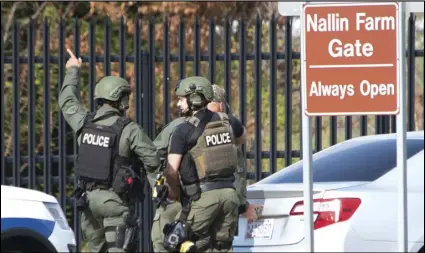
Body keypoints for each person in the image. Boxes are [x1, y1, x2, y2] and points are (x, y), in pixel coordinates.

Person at [58, 49, 160, 253]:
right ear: (120, 100)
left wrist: (73, 70)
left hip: (87, 201)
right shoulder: (129, 129)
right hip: (114, 202)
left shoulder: (83, 122)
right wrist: (160, 193)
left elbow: (67, 101)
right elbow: (153, 160)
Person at [163, 76, 246, 253]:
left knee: (174, 241)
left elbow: (171, 171)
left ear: (194, 99)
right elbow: (241, 139)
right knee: (221, 247)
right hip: (230, 197)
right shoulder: (229, 121)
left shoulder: (183, 131)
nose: (178, 104)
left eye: (181, 100)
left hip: (203, 197)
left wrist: (174, 194)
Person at [207, 85, 262, 222]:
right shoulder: (229, 122)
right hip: (223, 200)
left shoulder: (187, 124)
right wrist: (243, 207)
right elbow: (242, 139)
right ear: (220, 105)